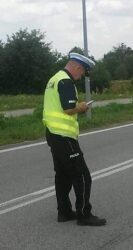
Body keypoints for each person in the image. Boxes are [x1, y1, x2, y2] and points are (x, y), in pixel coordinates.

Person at [43, 52, 106, 226]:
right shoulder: (66, 81)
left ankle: (63, 212)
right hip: (64, 137)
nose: (81, 76)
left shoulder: (54, 79)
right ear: (77, 67)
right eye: (83, 71)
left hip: (53, 133)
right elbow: (69, 108)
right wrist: (83, 107)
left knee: (63, 175)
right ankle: (84, 214)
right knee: (83, 176)